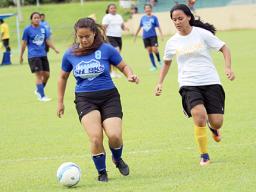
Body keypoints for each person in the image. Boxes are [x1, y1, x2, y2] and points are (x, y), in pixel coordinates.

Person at [57, 18, 139, 182]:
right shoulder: (70, 53)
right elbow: (62, 77)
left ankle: (117, 158)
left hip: (109, 96)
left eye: (87, 36)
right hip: (85, 99)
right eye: (80, 37)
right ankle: (102, 172)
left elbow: (123, 66)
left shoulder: (106, 49)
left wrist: (130, 75)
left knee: (115, 135)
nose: (84, 40)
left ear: (94, 33)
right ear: (76, 35)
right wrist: (60, 101)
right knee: (95, 137)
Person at [155, 4, 235, 166]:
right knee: (199, 117)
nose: (177, 22)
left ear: (189, 17)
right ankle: (204, 155)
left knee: (217, 121)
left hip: (211, 81)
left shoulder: (202, 34)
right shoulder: (172, 42)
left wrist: (227, 67)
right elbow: (167, 63)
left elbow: (224, 48)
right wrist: (160, 83)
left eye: (180, 18)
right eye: (174, 19)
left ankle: (213, 129)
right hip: (188, 83)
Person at [20, 12, 59, 102]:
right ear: (31, 20)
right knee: (39, 75)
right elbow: (24, 43)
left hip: (43, 54)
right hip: (33, 56)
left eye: (38, 18)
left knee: (47, 75)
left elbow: (47, 40)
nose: (37, 19)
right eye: (35, 18)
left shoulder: (43, 28)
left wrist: (54, 49)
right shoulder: (27, 30)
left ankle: (38, 90)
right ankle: (42, 96)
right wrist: (21, 55)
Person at [134, 4, 163, 71]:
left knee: (155, 49)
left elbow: (158, 26)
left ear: (151, 9)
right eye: (146, 8)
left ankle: (159, 60)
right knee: (149, 50)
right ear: (144, 10)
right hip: (145, 37)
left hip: (153, 36)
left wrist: (161, 35)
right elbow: (140, 27)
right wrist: (135, 35)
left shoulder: (154, 18)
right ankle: (154, 66)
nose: (147, 9)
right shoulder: (143, 18)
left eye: (149, 8)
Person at [102, 3, 127, 78]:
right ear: (108, 9)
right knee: (116, 51)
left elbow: (122, 26)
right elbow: (103, 28)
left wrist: (125, 28)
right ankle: (113, 72)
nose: (113, 9)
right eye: (111, 8)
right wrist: (103, 38)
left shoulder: (119, 16)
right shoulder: (106, 17)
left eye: (114, 8)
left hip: (118, 37)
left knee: (117, 55)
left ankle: (113, 71)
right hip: (110, 37)